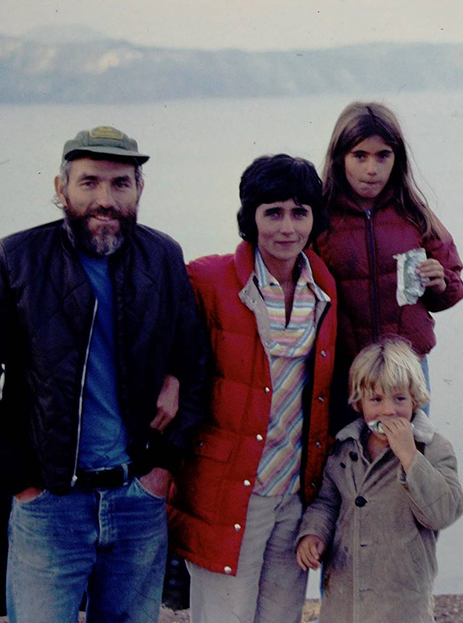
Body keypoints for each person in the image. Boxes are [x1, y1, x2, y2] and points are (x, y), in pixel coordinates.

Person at [0, 125, 207, 623]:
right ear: (60, 187)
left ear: (139, 190)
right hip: (51, 506)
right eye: (89, 183)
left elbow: (196, 364)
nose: (105, 199)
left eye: (120, 184)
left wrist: (162, 472)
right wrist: (22, 481)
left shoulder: (163, 257)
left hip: (138, 501)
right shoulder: (17, 258)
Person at [168, 154, 337, 623]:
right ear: (251, 217)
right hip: (229, 489)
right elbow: (169, 353)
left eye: (299, 212)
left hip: (294, 489)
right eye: (273, 212)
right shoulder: (206, 278)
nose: (287, 227)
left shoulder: (323, 285)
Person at [316, 102, 463, 430]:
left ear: (397, 159)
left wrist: (440, 284)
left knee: (409, 462)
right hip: (346, 372)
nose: (372, 169)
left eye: (383, 155)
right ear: (339, 157)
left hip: (406, 372)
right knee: (347, 464)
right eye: (360, 156)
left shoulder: (414, 212)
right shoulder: (319, 217)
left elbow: (453, 285)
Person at [296, 337, 463, 623]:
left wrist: (411, 458)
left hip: (402, 599)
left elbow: (444, 512)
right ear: (359, 403)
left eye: (399, 398)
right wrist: (313, 535)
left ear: (416, 399)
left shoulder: (433, 448)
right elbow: (326, 503)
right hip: (345, 595)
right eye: (376, 399)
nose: (388, 410)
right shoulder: (344, 448)